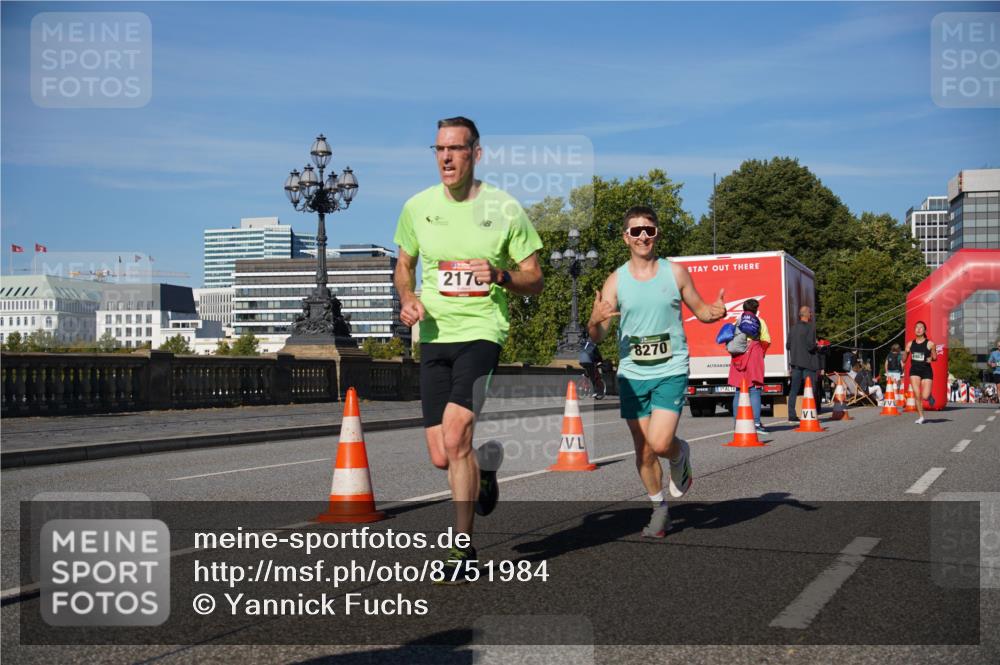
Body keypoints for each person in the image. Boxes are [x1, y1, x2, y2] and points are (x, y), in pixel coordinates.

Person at [393, 116, 544, 578]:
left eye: (455, 149)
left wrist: (499, 275)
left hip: (481, 333)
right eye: (439, 149)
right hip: (435, 336)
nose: (445, 157)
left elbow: (534, 278)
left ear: (475, 154)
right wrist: (408, 296)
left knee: (457, 435)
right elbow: (404, 265)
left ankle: (462, 549)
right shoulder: (417, 207)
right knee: (442, 454)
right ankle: (484, 472)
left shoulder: (505, 208)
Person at [588, 205, 726, 538]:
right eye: (636, 231)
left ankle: (680, 455)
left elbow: (702, 310)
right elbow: (599, 334)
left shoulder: (674, 273)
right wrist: (594, 320)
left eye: (648, 229)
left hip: (671, 367)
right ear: (626, 238)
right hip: (633, 373)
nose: (643, 236)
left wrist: (716, 312)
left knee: (661, 443)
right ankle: (659, 508)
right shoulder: (616, 280)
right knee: (644, 448)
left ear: (657, 234)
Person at [728, 299, 768, 435]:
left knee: (739, 391)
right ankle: (756, 423)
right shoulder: (759, 321)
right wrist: (760, 354)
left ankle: (738, 423)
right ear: (756, 309)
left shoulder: (737, 322)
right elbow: (766, 340)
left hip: (738, 359)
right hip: (753, 357)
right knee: (755, 390)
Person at [786, 306, 821, 422]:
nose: (811, 315)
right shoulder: (810, 328)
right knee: (810, 389)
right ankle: (810, 412)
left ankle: (791, 415)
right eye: (810, 313)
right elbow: (810, 347)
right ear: (806, 314)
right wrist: (817, 346)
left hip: (795, 363)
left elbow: (788, 346)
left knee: (794, 390)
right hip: (807, 364)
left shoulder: (793, 328)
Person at [903, 320, 937, 424]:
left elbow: (935, 357)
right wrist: (905, 352)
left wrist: (931, 358)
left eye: (921, 327)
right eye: (916, 327)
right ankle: (921, 417)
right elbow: (904, 359)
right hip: (914, 371)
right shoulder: (910, 344)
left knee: (925, 396)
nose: (918, 329)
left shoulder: (930, 344)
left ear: (925, 330)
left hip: (926, 370)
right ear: (914, 330)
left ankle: (930, 396)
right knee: (917, 394)